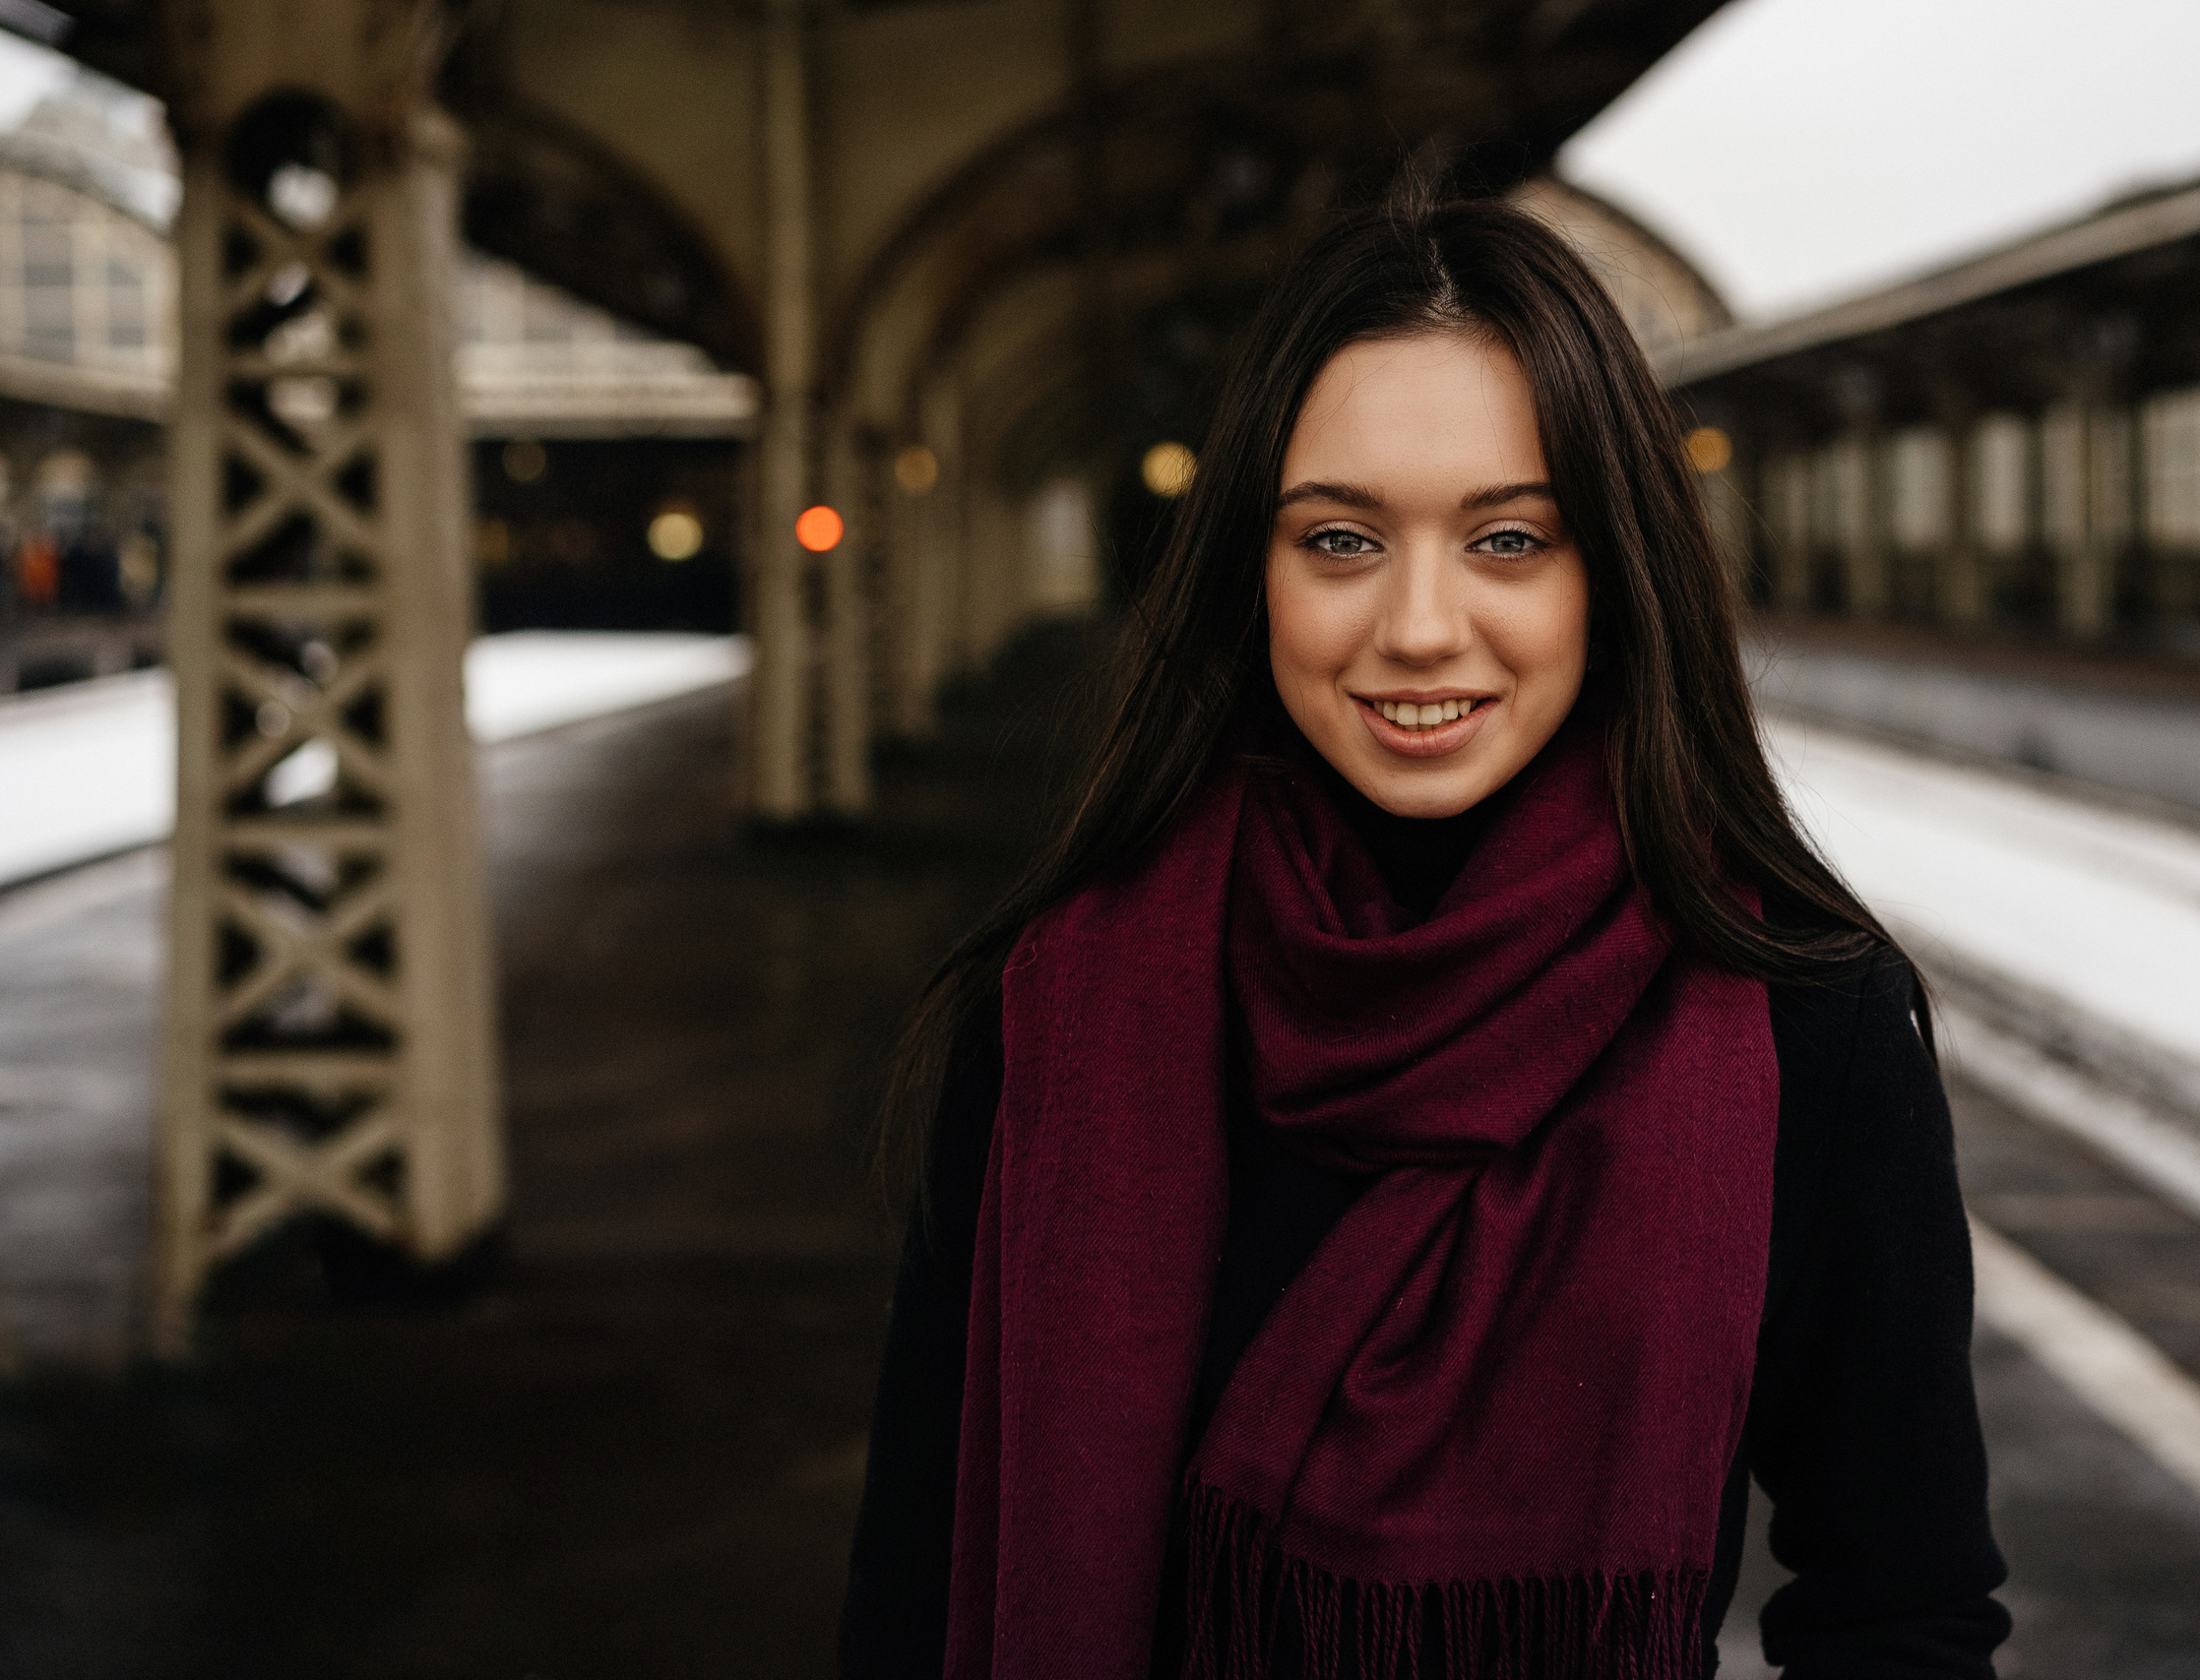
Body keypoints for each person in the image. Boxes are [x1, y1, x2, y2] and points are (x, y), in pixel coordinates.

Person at [839, 194, 2009, 1680]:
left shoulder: (1800, 1021)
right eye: (1339, 538)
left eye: (1509, 539)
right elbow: (913, 1578)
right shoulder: (1058, 1008)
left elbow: (1901, 1609)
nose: (1417, 626)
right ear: (1247, 575)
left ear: (1615, 571)